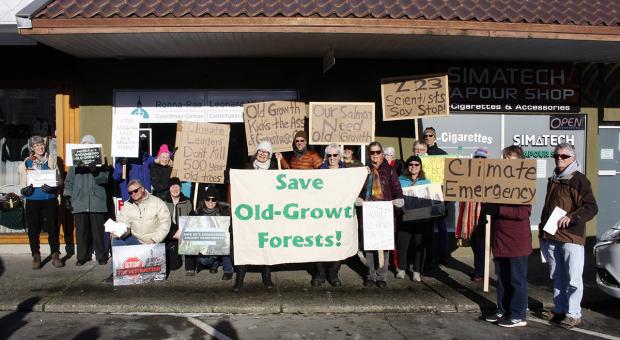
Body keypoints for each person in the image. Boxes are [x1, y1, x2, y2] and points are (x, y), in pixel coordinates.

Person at [538, 142, 598, 329]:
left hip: (571, 237)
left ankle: (573, 314)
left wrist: (572, 217)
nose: (559, 159)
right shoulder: (554, 179)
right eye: (556, 156)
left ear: (573, 158)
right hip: (553, 236)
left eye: (564, 156)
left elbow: (591, 207)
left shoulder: (579, 180)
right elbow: (548, 208)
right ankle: (560, 309)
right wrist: (542, 230)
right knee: (558, 276)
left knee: (573, 278)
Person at [482, 146, 532, 328]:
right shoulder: (499, 180)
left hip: (517, 240)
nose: (504, 161)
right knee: (502, 278)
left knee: (516, 279)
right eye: (503, 157)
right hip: (500, 238)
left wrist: (498, 210)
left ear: (519, 161)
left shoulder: (525, 181)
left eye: (508, 158)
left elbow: (523, 212)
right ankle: (503, 309)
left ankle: (518, 314)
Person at [235, 141, 282, 292]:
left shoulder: (275, 169)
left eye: (266, 152)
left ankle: (266, 277)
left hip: (267, 213)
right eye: (260, 151)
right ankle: (240, 279)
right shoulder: (247, 168)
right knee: (246, 243)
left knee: (266, 245)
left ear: (269, 155)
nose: (262, 154)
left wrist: (282, 163)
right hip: (250, 213)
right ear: (256, 153)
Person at [356, 141, 404, 288]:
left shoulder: (389, 170)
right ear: (369, 154)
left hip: (384, 212)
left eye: (378, 152)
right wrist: (359, 198)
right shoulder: (365, 170)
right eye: (372, 152)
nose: (375, 155)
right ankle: (370, 275)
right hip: (369, 211)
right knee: (369, 246)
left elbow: (396, 188)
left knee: (384, 244)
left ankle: (382, 276)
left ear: (382, 153)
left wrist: (398, 199)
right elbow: (359, 188)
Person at [63, 134, 109, 266]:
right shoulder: (74, 164)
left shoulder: (102, 161)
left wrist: (96, 171)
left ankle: (101, 255)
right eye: (84, 145)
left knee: (98, 230)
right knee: (81, 231)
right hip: (80, 200)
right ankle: (82, 256)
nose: (86, 147)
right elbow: (69, 182)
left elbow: (104, 179)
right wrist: (67, 197)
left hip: (96, 200)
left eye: (89, 145)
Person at [18, 135, 63, 269]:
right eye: (36, 145)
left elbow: (60, 179)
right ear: (32, 148)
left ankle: (55, 255)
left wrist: (54, 186)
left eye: (42, 144)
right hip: (33, 200)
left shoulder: (51, 160)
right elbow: (22, 184)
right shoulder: (27, 162)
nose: (40, 147)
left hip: (49, 199)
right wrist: (24, 191)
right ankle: (36, 256)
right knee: (33, 230)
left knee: (53, 229)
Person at [311, 143, 345, 287]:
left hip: (340, 214)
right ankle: (320, 273)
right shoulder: (320, 171)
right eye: (329, 155)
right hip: (322, 214)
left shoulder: (348, 173)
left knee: (338, 243)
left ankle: (333, 273)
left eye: (335, 155)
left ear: (339, 156)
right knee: (320, 243)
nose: (332, 158)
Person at [396, 155, 432, 282]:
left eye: (416, 165)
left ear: (420, 167)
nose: (413, 167)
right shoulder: (400, 180)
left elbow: (432, 200)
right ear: (407, 166)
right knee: (402, 244)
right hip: (404, 218)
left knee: (419, 245)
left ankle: (417, 270)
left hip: (421, 220)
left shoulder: (426, 182)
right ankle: (401, 268)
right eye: (411, 164)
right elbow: (396, 195)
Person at [456, 147, 488, 282]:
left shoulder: (491, 175)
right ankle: (478, 268)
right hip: (470, 216)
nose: (479, 160)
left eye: (482, 158)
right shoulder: (468, 175)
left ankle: (480, 272)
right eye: (477, 158)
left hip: (483, 216)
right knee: (474, 244)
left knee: (481, 245)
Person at [191, 186, 234, 281]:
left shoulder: (224, 211)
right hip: (206, 242)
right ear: (204, 200)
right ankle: (215, 263)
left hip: (221, 241)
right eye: (208, 199)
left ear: (217, 201)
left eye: (213, 199)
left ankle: (228, 270)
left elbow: (230, 228)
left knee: (224, 245)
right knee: (203, 261)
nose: (210, 202)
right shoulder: (198, 212)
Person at [112, 179, 171, 246]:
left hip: (153, 240)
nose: (133, 194)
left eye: (135, 191)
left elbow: (165, 223)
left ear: (142, 189)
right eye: (130, 193)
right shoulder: (127, 205)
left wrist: (154, 240)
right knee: (116, 240)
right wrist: (119, 232)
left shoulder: (157, 202)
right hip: (136, 240)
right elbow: (124, 224)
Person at [423, 127, 449, 265]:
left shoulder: (442, 155)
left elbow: (449, 177)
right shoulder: (421, 154)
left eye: (430, 135)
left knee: (441, 228)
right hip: (425, 197)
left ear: (435, 137)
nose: (428, 137)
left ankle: (444, 256)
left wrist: (446, 199)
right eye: (425, 135)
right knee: (428, 230)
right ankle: (428, 257)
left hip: (439, 197)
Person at [164, 177, 193, 274]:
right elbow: (163, 220)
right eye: (172, 187)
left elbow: (192, 218)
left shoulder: (187, 201)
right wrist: (174, 232)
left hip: (184, 231)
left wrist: (183, 229)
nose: (175, 189)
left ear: (180, 188)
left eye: (177, 187)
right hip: (170, 232)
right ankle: (175, 253)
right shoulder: (164, 202)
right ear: (169, 189)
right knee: (174, 266)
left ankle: (190, 267)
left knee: (190, 237)